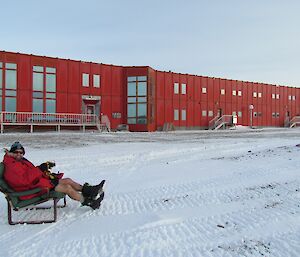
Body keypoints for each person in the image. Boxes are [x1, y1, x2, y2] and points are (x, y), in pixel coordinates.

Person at [3, 142, 105, 210]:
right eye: (16, 152)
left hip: (36, 183)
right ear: (11, 153)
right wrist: (40, 169)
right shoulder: (11, 167)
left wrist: (43, 169)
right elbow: (24, 180)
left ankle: (90, 191)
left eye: (21, 152)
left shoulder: (17, 162)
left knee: (68, 180)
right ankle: (89, 202)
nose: (19, 154)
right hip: (31, 190)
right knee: (67, 188)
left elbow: (29, 173)